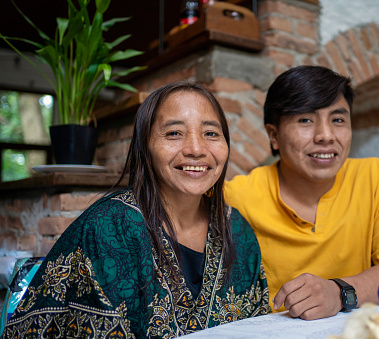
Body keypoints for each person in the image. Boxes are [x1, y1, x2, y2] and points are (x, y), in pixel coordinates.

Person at [2, 81, 270, 338]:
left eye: (211, 133)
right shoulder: (110, 229)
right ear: (146, 146)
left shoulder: (238, 231)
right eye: (174, 133)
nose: (196, 149)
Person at [225, 66, 379, 320]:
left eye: (338, 120)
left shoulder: (374, 178)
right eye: (305, 120)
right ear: (274, 136)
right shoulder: (237, 197)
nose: (326, 136)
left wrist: (339, 292)